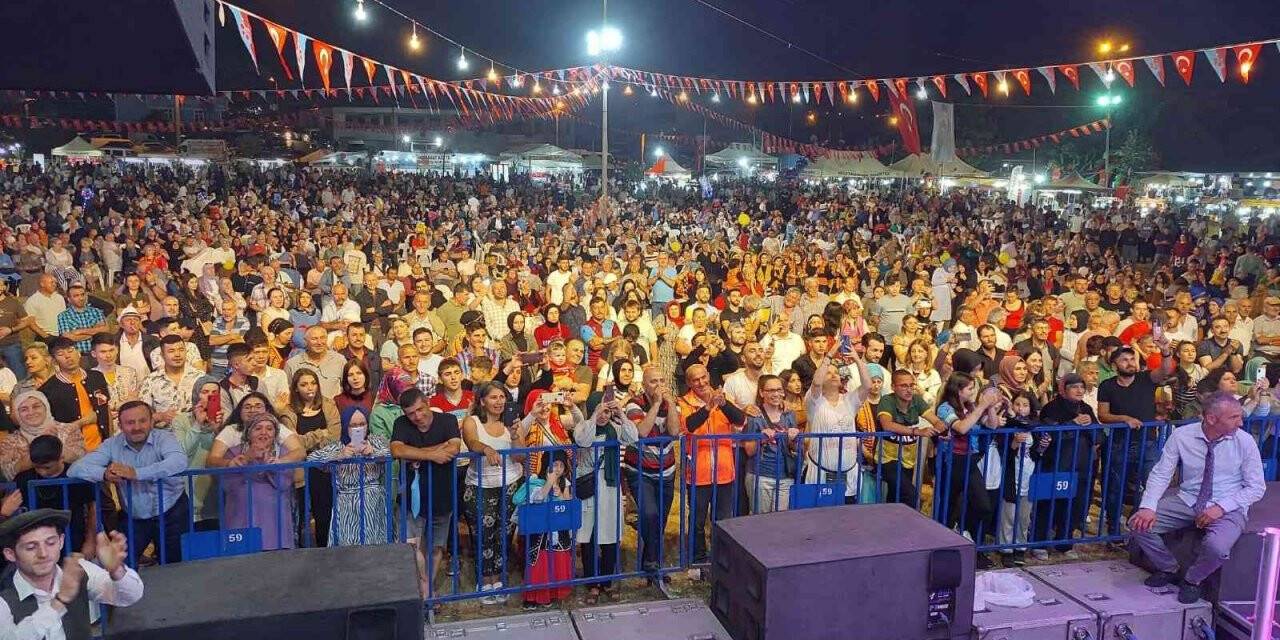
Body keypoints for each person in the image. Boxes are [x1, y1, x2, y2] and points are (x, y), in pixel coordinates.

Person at [1130, 392, 1266, 604]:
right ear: (1211, 418)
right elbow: (1162, 473)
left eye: (1240, 416)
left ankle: (1193, 580)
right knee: (1137, 524)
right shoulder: (1182, 436)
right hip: (1188, 499)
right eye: (1234, 417)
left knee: (1217, 548)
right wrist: (1148, 506)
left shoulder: (1245, 442)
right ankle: (1168, 568)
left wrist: (1221, 507)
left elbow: (1256, 487)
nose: (1241, 422)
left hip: (1229, 504)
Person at [68, 401, 189, 564]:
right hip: (134, 517)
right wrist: (104, 474)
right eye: (130, 423)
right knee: (120, 566)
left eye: (142, 421)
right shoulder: (112, 445)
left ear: (151, 421)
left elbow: (179, 462)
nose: (137, 427)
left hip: (172, 512)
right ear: (120, 426)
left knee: (174, 567)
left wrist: (136, 473)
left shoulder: (164, 438)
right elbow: (75, 469)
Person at [0, 510, 142, 638]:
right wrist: (60, 601)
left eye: (51, 543)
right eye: (31, 547)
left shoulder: (79, 569)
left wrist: (116, 570)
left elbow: (130, 596)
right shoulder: (3, 596)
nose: (43, 554)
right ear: (10, 554)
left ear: (61, 542)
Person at [389, 388, 462, 598]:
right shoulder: (401, 424)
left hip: (442, 492)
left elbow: (453, 448)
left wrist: (415, 454)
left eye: (420, 410)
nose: (417, 416)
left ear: (427, 402)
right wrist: (433, 454)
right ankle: (420, 588)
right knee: (411, 545)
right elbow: (397, 450)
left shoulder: (447, 420)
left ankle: (427, 589)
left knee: (436, 546)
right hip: (411, 497)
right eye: (411, 413)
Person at [459, 382, 527, 604]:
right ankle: (484, 580)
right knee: (483, 534)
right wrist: (486, 449)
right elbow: (472, 442)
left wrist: (515, 435)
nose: (499, 402)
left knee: (504, 534)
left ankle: (499, 579)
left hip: (510, 483)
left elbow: (520, 457)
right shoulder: (472, 421)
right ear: (482, 401)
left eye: (502, 397)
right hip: (480, 486)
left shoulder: (512, 423)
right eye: (493, 397)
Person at [1098, 345, 1173, 536]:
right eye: (1124, 360)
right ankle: (1113, 529)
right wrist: (1124, 419)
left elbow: (1165, 370)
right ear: (1114, 365)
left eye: (1132, 359)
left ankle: (1139, 526)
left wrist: (1165, 351)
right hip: (1119, 443)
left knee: (1152, 485)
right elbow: (1103, 415)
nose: (1130, 363)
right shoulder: (1107, 386)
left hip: (1148, 442)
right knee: (1115, 489)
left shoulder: (1145, 378)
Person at [573, 384, 638, 604]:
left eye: (607, 412)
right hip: (590, 487)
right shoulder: (584, 426)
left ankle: (608, 581)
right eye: (600, 411)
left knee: (610, 535)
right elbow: (583, 440)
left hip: (610, 487)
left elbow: (633, 437)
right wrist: (594, 417)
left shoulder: (615, 429)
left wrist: (620, 413)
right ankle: (592, 583)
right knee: (590, 537)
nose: (604, 416)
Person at [679, 364, 744, 574]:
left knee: (722, 520)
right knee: (697, 521)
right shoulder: (683, 402)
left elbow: (741, 420)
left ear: (708, 376)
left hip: (724, 472)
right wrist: (708, 407)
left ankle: (720, 561)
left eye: (703, 377)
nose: (701, 383)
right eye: (695, 380)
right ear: (689, 383)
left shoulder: (723, 398)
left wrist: (723, 404)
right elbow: (688, 426)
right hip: (698, 473)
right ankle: (697, 562)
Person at [621, 365, 681, 584]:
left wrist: (670, 404)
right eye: (654, 381)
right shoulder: (634, 404)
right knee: (650, 514)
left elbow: (674, 431)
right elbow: (641, 432)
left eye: (662, 381)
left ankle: (650, 565)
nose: (659, 385)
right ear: (644, 385)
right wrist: (656, 404)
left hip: (666, 470)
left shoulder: (672, 403)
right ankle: (653, 566)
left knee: (660, 519)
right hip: (640, 470)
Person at [305, 405, 392, 547]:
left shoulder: (375, 441)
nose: (358, 428)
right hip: (346, 503)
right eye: (353, 425)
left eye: (362, 424)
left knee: (374, 545)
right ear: (346, 426)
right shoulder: (338, 446)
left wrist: (374, 453)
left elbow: (390, 453)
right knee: (347, 546)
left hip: (373, 501)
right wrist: (339, 456)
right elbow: (311, 459)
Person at [280, 369, 341, 547]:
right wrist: (320, 434)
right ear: (296, 388)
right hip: (299, 472)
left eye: (313, 383)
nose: (310, 388)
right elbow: (292, 443)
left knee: (324, 517)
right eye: (304, 384)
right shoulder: (288, 411)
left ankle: (325, 552)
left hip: (324, 470)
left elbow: (334, 437)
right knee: (300, 519)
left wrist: (305, 441)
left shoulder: (328, 405)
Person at [221, 412, 296, 550]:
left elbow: (284, 484)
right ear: (248, 433)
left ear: (275, 433)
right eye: (258, 428)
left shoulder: (283, 453)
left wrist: (271, 467)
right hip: (241, 524)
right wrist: (247, 459)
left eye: (269, 429)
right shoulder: (233, 453)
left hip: (276, 528)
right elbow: (228, 485)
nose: (264, 433)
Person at [13, 436, 96, 557]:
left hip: (73, 541)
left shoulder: (78, 475)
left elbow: (93, 508)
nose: (42, 471)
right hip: (36, 547)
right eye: (37, 467)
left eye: (47, 467)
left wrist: (91, 541)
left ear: (61, 458)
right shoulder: (23, 479)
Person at [875, 369, 946, 507]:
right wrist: (916, 431)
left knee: (896, 497)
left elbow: (937, 422)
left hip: (908, 459)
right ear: (893, 387)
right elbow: (887, 425)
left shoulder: (917, 400)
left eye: (911, 385)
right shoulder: (887, 400)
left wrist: (937, 429)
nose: (909, 390)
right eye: (903, 386)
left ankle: (892, 521)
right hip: (886, 458)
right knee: (910, 495)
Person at [39, 337, 110, 452]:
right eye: (60, 354)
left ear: (79, 353)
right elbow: (49, 428)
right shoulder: (47, 390)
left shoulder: (96, 377)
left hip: (104, 445)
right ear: (54, 360)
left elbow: (106, 410)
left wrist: (110, 439)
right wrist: (82, 422)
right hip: (73, 452)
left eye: (71, 350)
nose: (67, 356)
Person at [742, 374, 799, 513]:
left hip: (786, 476)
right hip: (761, 476)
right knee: (760, 519)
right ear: (762, 393)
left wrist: (793, 439)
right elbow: (749, 450)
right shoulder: (754, 416)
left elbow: (796, 448)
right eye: (771, 390)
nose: (776, 394)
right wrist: (762, 439)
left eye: (779, 390)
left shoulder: (789, 414)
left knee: (781, 520)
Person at [0, 391, 86, 481]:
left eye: (36, 406)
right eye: (24, 409)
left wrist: (42, 448)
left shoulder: (69, 430)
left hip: (70, 486)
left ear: (46, 407)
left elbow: (80, 458)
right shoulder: (10, 441)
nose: (31, 412)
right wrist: (44, 446)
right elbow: (6, 474)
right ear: (17, 414)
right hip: (28, 488)